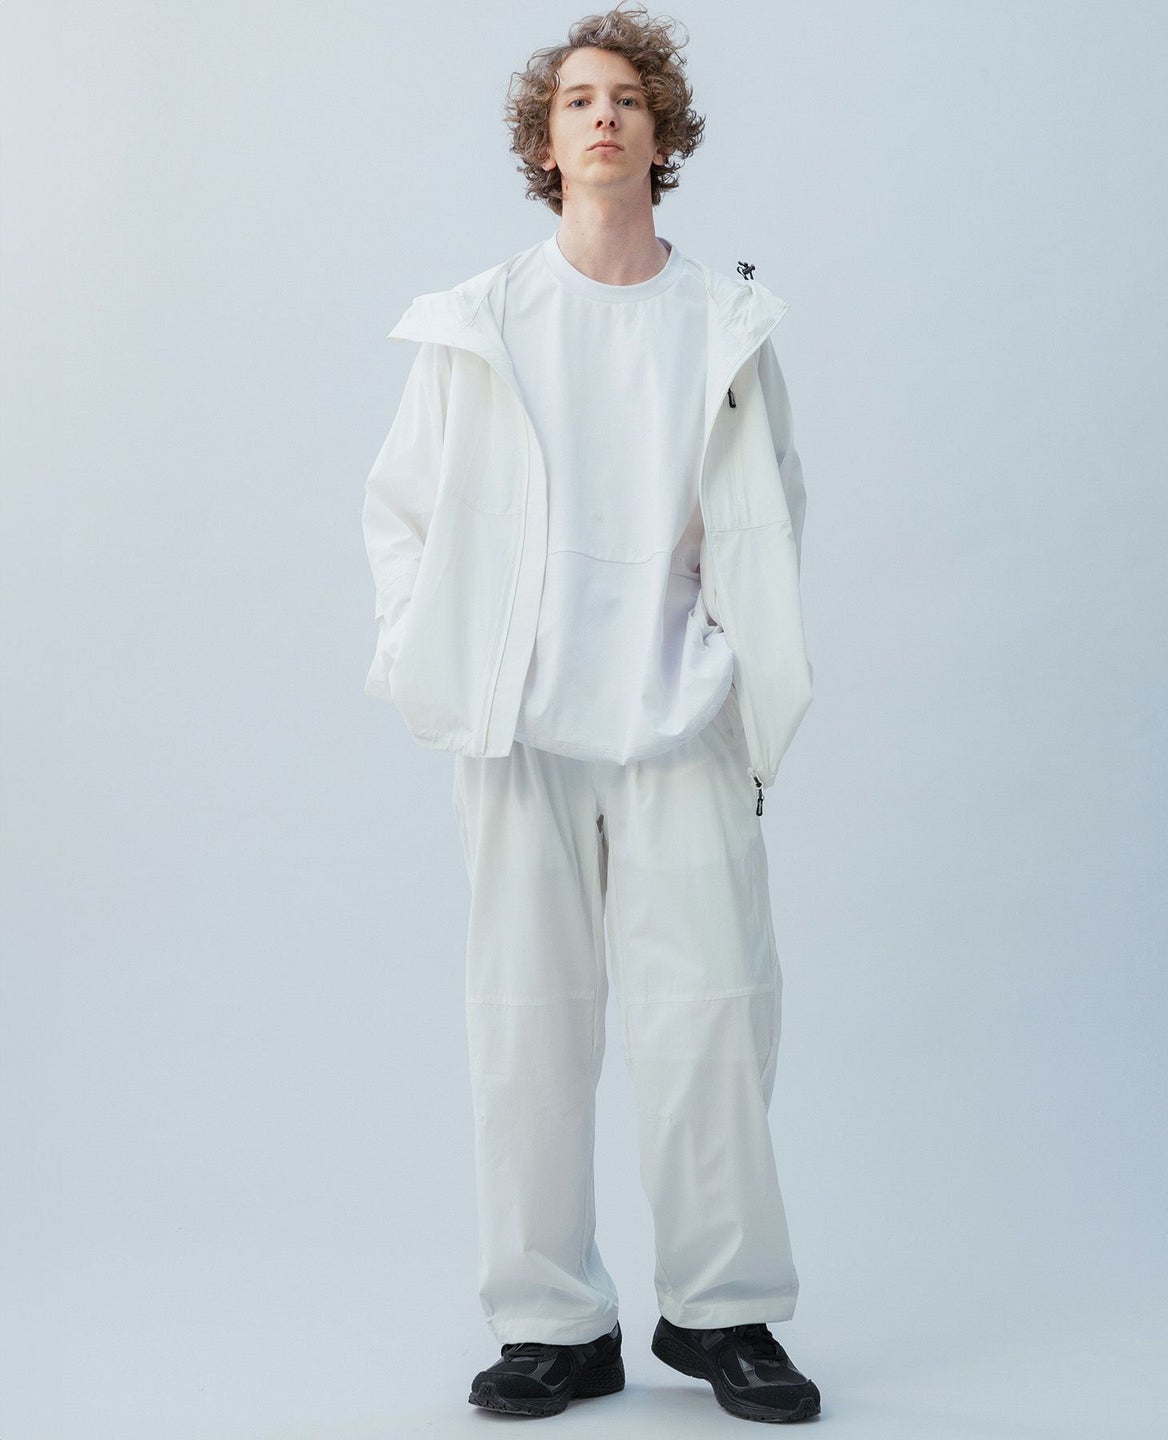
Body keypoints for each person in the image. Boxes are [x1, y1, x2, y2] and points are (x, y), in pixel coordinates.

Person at [361, 2, 819, 1423]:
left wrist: (735, 664)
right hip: (525, 733)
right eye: (576, 99)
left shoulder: (725, 321)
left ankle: (722, 1314)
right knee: (527, 1035)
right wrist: (428, 661)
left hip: (680, 721)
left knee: (714, 1027)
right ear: (545, 142)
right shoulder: (482, 319)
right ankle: (554, 1324)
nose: (603, 114)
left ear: (661, 134)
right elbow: (401, 511)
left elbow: (773, 507)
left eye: (626, 96)